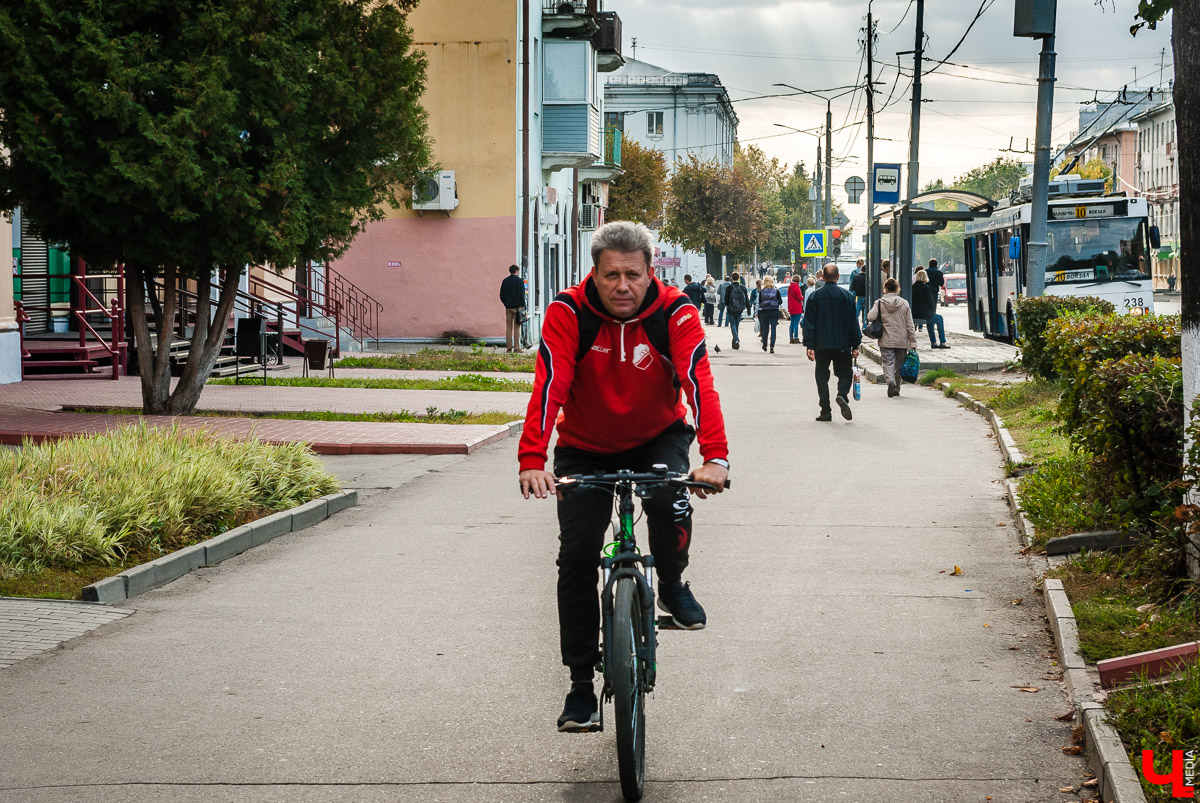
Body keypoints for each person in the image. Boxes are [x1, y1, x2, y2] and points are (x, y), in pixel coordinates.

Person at [517, 220, 730, 733]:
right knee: (576, 556)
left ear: (649, 271)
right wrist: (531, 459)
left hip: (658, 435)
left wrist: (715, 458)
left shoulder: (675, 310)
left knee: (669, 500)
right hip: (585, 447)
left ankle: (673, 585)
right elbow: (550, 384)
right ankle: (580, 688)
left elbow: (698, 379)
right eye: (611, 275)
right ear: (594, 271)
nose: (622, 287)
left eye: (632, 275)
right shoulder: (569, 311)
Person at [802, 263, 861, 421]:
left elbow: (809, 323)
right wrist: (856, 344)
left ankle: (825, 411)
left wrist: (810, 345)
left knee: (821, 376)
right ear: (838, 276)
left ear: (822, 277)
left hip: (822, 344)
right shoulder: (847, 296)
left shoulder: (815, 296)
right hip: (842, 343)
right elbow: (853, 322)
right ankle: (842, 394)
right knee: (845, 372)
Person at [866, 277, 918, 397]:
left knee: (888, 362)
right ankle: (897, 388)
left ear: (885, 289)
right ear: (897, 289)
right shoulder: (904, 303)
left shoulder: (879, 302)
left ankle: (890, 383)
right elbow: (910, 324)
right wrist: (913, 342)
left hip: (886, 339)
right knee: (899, 365)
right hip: (902, 340)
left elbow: (870, 317)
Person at [912, 269, 948, 349]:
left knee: (931, 320)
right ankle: (942, 342)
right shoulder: (926, 288)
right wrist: (932, 312)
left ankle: (934, 342)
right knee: (939, 318)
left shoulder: (912, 287)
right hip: (925, 314)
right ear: (925, 277)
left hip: (914, 314)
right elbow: (930, 302)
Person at [500, 264, 526, 353]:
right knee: (517, 327)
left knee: (508, 327)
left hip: (508, 307)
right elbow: (522, 295)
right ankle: (516, 347)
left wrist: (505, 303)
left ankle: (508, 347)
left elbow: (501, 295)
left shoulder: (505, 281)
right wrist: (523, 305)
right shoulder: (519, 281)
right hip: (517, 307)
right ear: (516, 271)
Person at [723, 271, 751, 350]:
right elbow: (746, 299)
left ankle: (736, 340)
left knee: (733, 325)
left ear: (732, 278)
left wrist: (727, 306)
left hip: (731, 309)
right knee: (737, 325)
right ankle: (735, 343)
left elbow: (726, 299)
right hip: (739, 309)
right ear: (738, 278)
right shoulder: (742, 287)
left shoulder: (729, 287)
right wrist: (748, 310)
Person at [757, 275, 782, 353]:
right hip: (774, 311)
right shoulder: (776, 291)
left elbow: (760, 302)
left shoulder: (761, 291)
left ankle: (764, 345)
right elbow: (780, 301)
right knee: (773, 329)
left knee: (765, 329)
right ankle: (772, 346)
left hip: (764, 312)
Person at [787, 273, 805, 343]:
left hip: (791, 307)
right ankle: (796, 337)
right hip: (797, 307)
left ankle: (791, 337)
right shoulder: (796, 287)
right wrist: (803, 297)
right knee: (796, 323)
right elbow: (799, 297)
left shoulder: (790, 287)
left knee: (792, 322)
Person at [849, 259, 868, 326]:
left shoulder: (856, 276)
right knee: (866, 313)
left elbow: (852, 287)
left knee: (856, 313)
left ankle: (854, 325)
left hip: (859, 297)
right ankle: (864, 327)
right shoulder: (869, 277)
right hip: (867, 297)